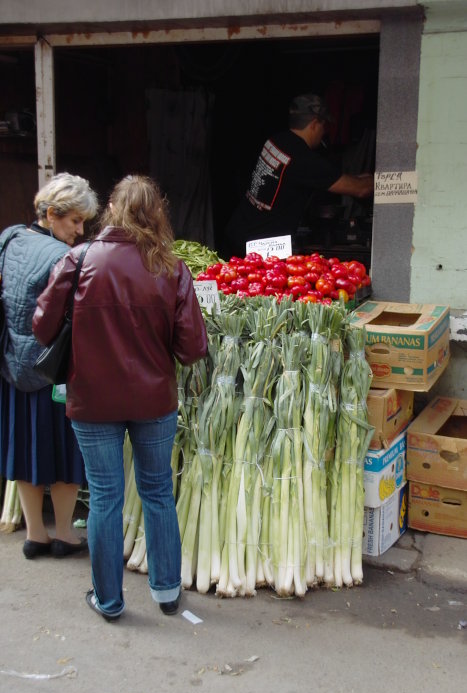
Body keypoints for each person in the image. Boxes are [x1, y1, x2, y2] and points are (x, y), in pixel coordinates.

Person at [33, 174, 208, 622]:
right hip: (153, 400)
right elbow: (192, 350)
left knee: (107, 496)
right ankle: (168, 592)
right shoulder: (172, 268)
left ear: (112, 208)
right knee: (157, 491)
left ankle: (109, 601)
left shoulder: (79, 259)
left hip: (92, 400)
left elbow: (42, 328)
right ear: (157, 213)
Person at [0, 172, 98, 559]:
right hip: (52, 370)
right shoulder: (65, 257)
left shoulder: (8, 238)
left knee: (22, 448)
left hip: (11, 365)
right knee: (64, 450)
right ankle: (66, 537)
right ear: (53, 213)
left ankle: (35, 535)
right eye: (75, 220)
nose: (79, 230)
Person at [223, 92, 374, 259]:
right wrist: (382, 179)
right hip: (260, 249)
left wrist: (361, 177)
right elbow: (361, 189)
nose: (324, 133)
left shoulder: (275, 141)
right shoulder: (304, 160)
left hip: (240, 229)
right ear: (315, 123)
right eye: (325, 127)